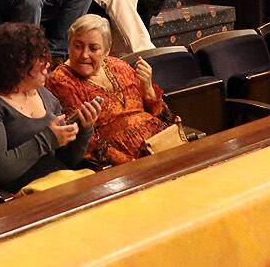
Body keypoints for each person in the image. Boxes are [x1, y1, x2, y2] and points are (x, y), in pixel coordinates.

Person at [0, 23, 99, 194]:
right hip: (23, 198)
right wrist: (47, 139)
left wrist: (84, 129)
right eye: (39, 58)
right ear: (17, 64)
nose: (47, 64)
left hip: (62, 184)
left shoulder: (44, 95)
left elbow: (67, 160)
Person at [45, 14, 178, 166]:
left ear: (106, 50)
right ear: (68, 46)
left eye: (93, 48)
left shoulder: (119, 66)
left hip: (161, 144)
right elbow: (89, 143)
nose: (84, 54)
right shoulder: (61, 81)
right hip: (123, 164)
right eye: (78, 46)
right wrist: (133, 164)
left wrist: (148, 89)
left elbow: (164, 116)